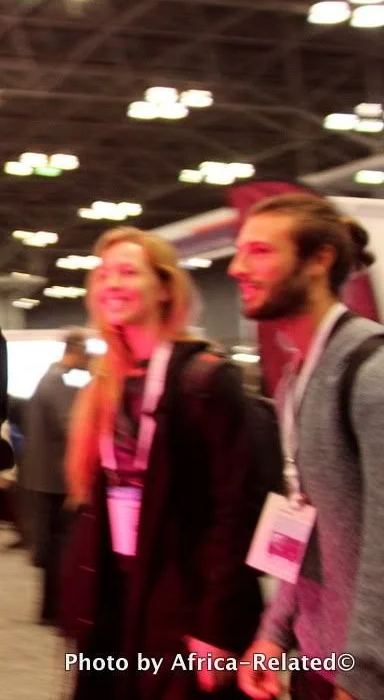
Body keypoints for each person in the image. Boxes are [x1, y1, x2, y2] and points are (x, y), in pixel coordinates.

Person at [59, 227, 263, 699]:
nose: (112, 284)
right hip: (114, 602)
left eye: (128, 272)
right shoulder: (106, 383)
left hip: (181, 606)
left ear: (165, 287)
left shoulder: (206, 379)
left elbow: (235, 512)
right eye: (103, 274)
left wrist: (215, 626)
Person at [230, 194, 384, 700]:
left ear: (319, 259)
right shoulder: (296, 381)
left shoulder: (371, 374)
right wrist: (274, 632)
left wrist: (362, 676)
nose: (237, 267)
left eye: (259, 251)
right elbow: (301, 520)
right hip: (319, 657)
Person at [23, 329, 88, 625]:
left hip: (44, 477)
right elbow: (70, 426)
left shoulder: (49, 380)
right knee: (59, 548)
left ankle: (50, 609)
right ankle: (55, 609)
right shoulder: (57, 382)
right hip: (55, 479)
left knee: (52, 546)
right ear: (75, 350)